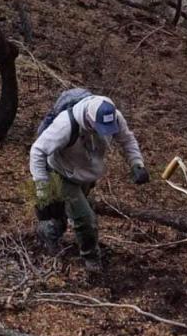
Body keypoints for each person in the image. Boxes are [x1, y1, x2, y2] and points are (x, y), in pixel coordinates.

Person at [30, 89, 149, 274]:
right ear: (89, 118)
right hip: (62, 173)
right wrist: (42, 189)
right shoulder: (65, 125)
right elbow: (37, 151)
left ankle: (48, 231)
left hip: (86, 173)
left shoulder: (114, 117)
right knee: (86, 218)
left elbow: (127, 139)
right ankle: (91, 260)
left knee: (69, 213)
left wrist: (137, 164)